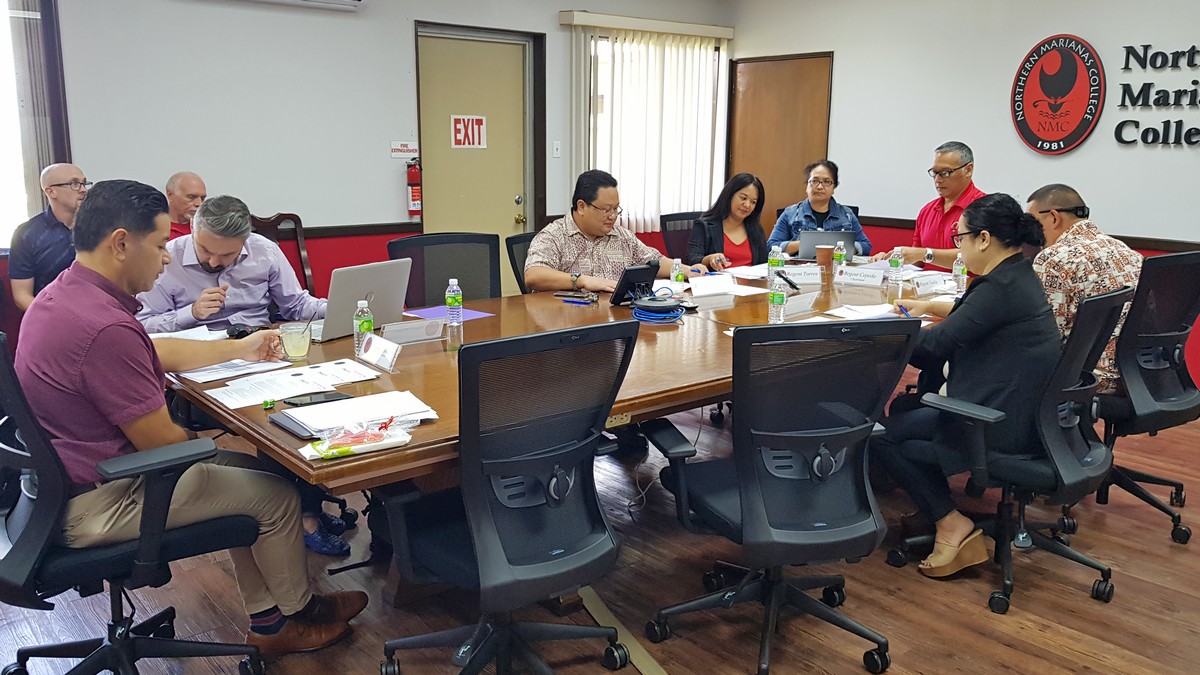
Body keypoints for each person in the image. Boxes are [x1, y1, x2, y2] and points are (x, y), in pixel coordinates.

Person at [14, 179, 368, 660]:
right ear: (121, 243)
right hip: (96, 500)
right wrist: (217, 435)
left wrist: (239, 347)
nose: (166, 258)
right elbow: (167, 446)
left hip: (56, 488)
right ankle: (290, 619)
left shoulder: (67, 294)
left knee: (258, 471)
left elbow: (150, 348)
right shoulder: (104, 328)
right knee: (276, 496)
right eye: (160, 244)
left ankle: (275, 613)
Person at [875, 193, 1059, 578]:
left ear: (985, 239)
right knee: (907, 413)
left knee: (883, 435)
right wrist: (924, 308)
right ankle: (933, 507)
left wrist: (883, 329)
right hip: (1026, 415)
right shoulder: (1016, 275)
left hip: (994, 421)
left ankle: (949, 522)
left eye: (960, 239)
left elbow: (931, 350)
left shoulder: (997, 289)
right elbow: (968, 315)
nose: (958, 248)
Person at [137, 194, 326, 332]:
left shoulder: (264, 251)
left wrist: (341, 307)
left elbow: (297, 305)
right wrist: (192, 312)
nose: (213, 262)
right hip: (196, 353)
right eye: (205, 250)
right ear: (193, 229)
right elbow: (144, 325)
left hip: (261, 344)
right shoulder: (166, 258)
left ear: (245, 241)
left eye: (228, 254)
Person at [1027, 184, 1143, 394]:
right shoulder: (1126, 251)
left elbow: (1045, 336)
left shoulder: (1053, 258)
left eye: (1032, 223)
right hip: (1136, 371)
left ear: (1053, 217)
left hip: (1087, 374)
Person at [524, 169, 706, 293]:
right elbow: (534, 275)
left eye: (616, 209)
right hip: (568, 329)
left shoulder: (622, 237)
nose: (613, 216)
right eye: (606, 210)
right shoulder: (554, 236)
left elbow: (655, 262)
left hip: (614, 322)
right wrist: (581, 280)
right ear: (581, 206)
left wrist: (688, 270)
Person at [871, 141, 985, 271]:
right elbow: (917, 262)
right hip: (928, 288)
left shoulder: (984, 208)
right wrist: (888, 260)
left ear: (968, 170)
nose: (938, 180)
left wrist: (925, 254)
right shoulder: (927, 211)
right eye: (934, 173)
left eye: (945, 173)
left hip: (968, 288)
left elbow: (978, 258)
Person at [8, 163, 90, 311]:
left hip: (96, 314)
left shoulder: (98, 226)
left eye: (84, 183)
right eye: (74, 184)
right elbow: (22, 296)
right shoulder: (27, 234)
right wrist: (55, 317)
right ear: (51, 191)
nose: (83, 190)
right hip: (49, 316)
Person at [768, 160, 871, 257]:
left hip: (836, 269)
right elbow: (771, 246)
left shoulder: (846, 215)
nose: (820, 187)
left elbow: (866, 246)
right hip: (799, 270)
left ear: (834, 188)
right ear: (807, 185)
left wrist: (843, 248)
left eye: (826, 182)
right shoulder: (790, 214)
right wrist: (805, 244)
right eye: (815, 181)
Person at [686, 173, 768, 270]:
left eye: (753, 202)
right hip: (717, 283)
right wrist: (709, 259)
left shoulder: (755, 229)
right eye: (743, 198)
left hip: (751, 284)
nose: (747, 205)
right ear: (730, 195)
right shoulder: (704, 226)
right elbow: (692, 261)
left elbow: (764, 265)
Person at [165, 171, 208, 239]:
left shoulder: (207, 230)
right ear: (170, 195)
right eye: (191, 197)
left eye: (202, 198)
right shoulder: (153, 228)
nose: (199, 203)